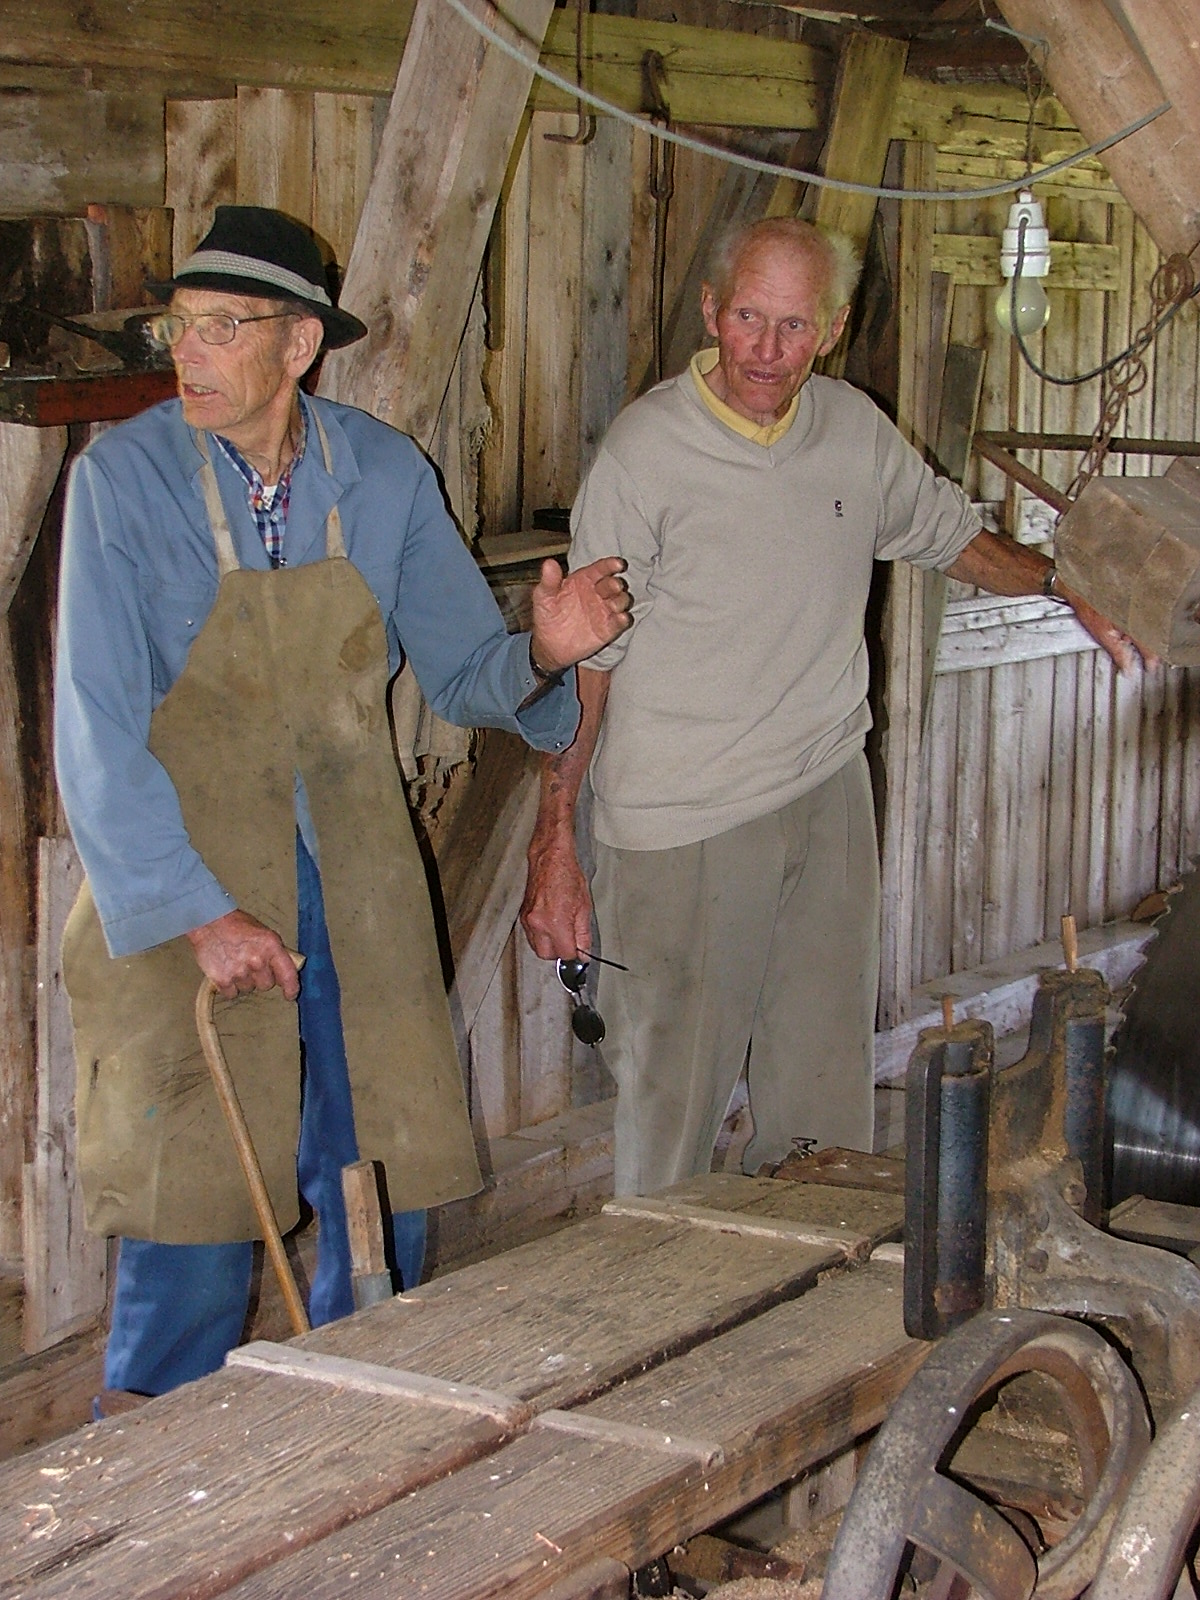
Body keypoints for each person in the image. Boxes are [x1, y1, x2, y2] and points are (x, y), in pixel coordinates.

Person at [54, 205, 631, 1400]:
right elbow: (95, 732)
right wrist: (199, 913)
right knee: (194, 1212)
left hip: (357, 882)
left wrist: (546, 649)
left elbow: (467, 673)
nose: (188, 352)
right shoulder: (122, 481)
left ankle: (368, 1436)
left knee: (382, 1198)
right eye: (180, 325)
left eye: (223, 327)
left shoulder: (382, 473)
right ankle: (159, 1482)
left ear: (300, 343)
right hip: (183, 884)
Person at [521, 215, 1139, 1198]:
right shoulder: (645, 455)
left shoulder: (852, 428)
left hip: (824, 795)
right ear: (713, 311)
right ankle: (663, 1290)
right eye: (749, 318)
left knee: (824, 1119)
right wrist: (555, 844)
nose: (767, 350)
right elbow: (591, 666)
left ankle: (814, 1283)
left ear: (834, 326)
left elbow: (949, 534)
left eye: (795, 325)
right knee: (671, 1120)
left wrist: (1067, 584)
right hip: (681, 823)